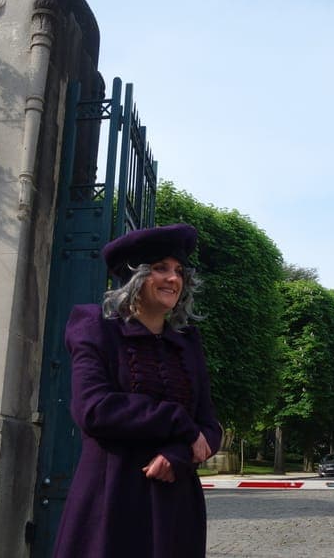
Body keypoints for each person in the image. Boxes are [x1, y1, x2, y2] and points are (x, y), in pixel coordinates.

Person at [53, 223, 222, 558]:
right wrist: (179, 422)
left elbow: (209, 427)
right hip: (111, 499)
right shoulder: (96, 330)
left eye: (179, 271)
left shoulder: (187, 344)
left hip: (175, 506)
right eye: (160, 268)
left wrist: (178, 455)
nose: (173, 278)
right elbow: (94, 409)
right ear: (135, 275)